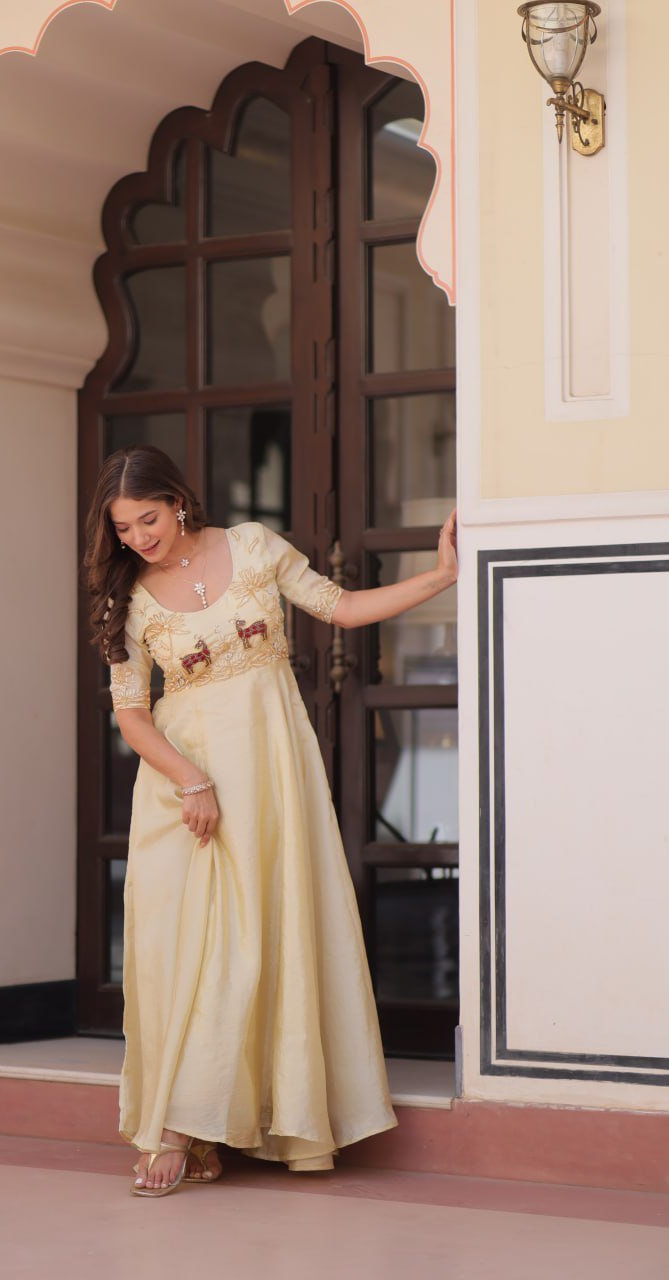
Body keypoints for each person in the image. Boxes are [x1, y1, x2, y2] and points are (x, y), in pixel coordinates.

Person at [83, 445, 458, 1199]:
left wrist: (441, 576)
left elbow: (340, 607)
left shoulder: (253, 546)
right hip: (184, 789)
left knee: (264, 938)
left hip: (270, 770)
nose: (137, 538)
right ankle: (181, 1127)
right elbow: (132, 716)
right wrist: (192, 781)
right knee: (193, 951)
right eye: (122, 528)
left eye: (147, 519)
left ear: (177, 501)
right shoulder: (129, 597)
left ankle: (221, 1125)